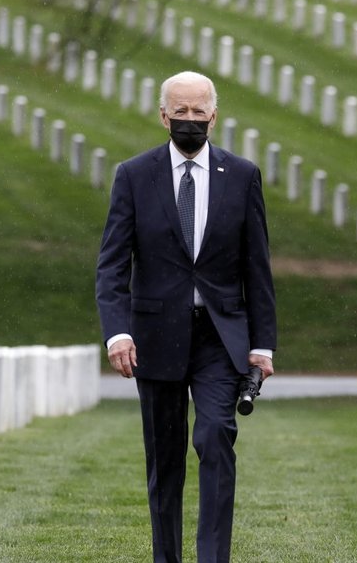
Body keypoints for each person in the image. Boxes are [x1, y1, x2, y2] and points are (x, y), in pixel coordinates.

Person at [96, 70, 277, 563]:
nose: (190, 120)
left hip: (220, 337)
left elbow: (256, 267)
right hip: (155, 336)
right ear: (163, 115)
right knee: (166, 460)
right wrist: (117, 332)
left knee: (216, 436)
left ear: (214, 116)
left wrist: (262, 345)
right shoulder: (134, 176)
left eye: (199, 112)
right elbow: (112, 264)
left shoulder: (242, 176)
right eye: (181, 111)